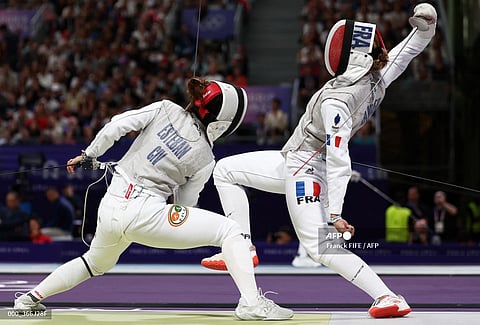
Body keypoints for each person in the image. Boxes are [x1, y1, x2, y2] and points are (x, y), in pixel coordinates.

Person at [200, 4, 438, 318]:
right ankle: (244, 246)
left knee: (321, 248)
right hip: (293, 161)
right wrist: (427, 24)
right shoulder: (377, 75)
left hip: (306, 170)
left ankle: (388, 297)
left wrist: (335, 213)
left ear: (353, 58)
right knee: (226, 170)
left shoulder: (336, 104)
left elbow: (341, 159)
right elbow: (409, 49)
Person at [13, 78, 293, 321]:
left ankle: (27, 300)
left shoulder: (164, 107)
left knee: (94, 263)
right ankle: (252, 304)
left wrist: (90, 154)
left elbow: (116, 125)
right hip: (145, 213)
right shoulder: (206, 157)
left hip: (111, 204)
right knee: (231, 230)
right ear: (223, 124)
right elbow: (185, 205)